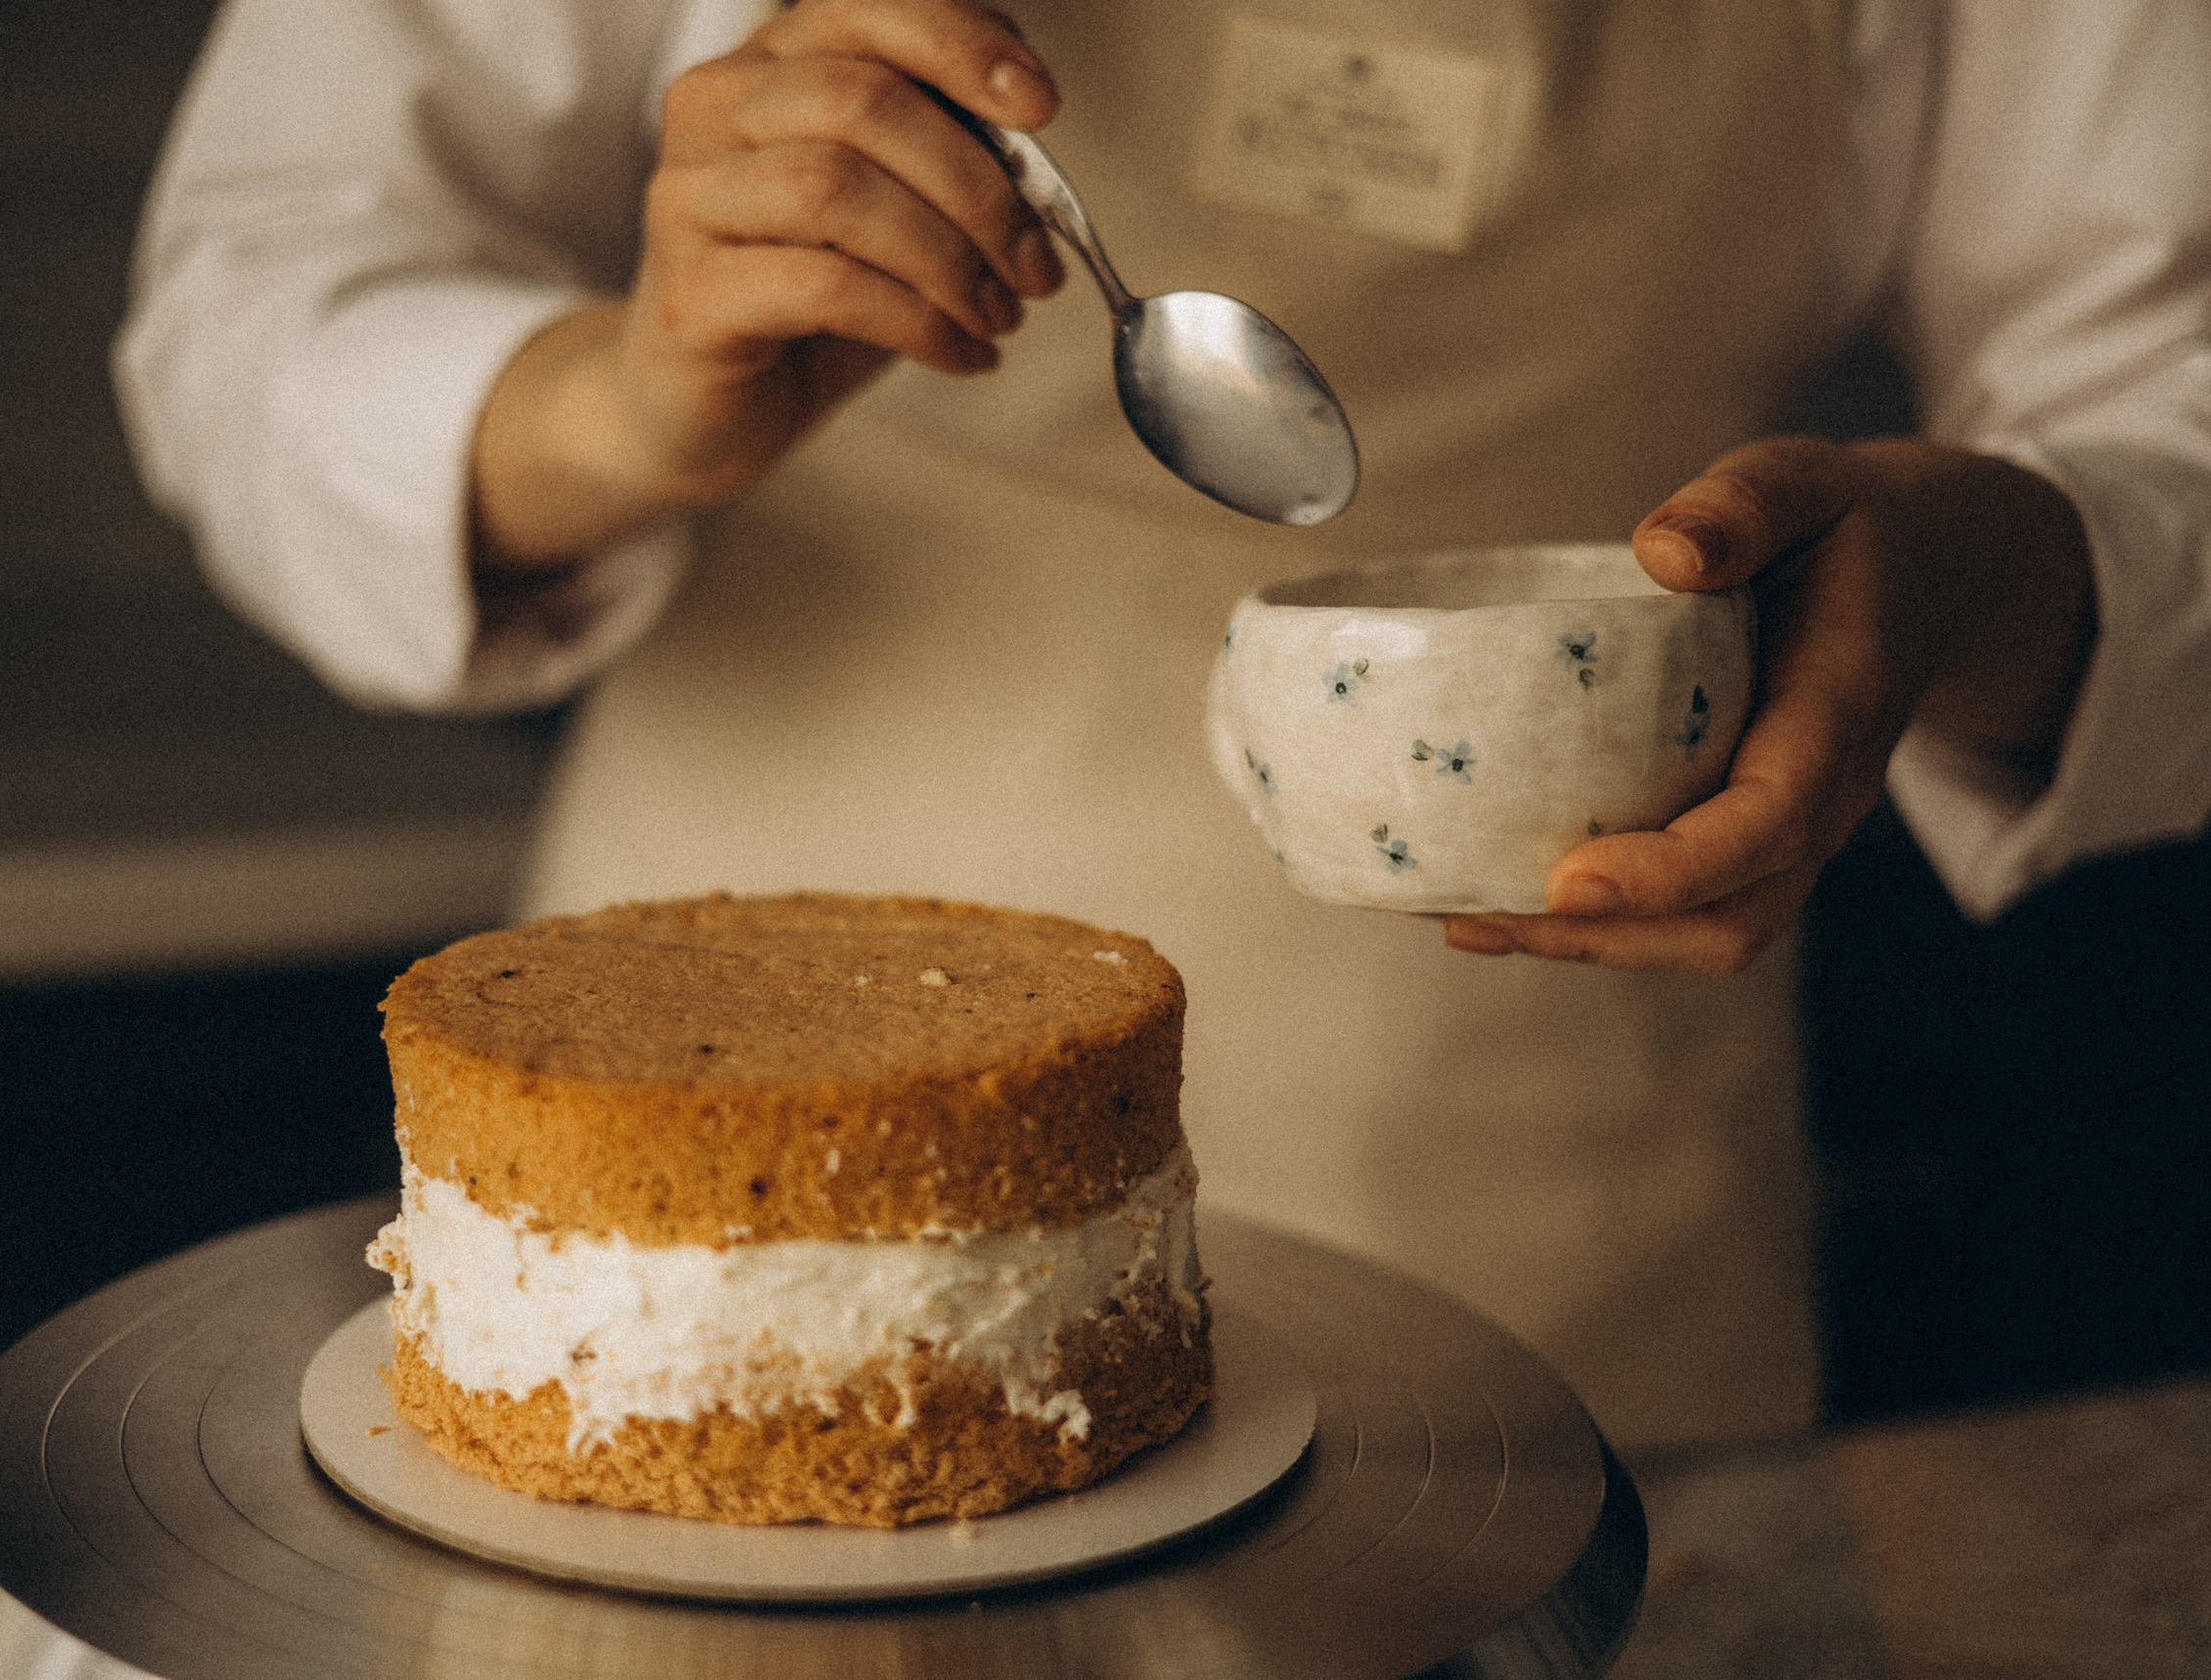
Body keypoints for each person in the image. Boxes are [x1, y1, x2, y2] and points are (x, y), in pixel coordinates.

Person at [116, 0, 2211, 1448]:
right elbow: (248, 297)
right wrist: (622, 393)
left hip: (1551, 1238)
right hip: (711, 1212)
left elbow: (2160, 412)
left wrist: (1967, 570)